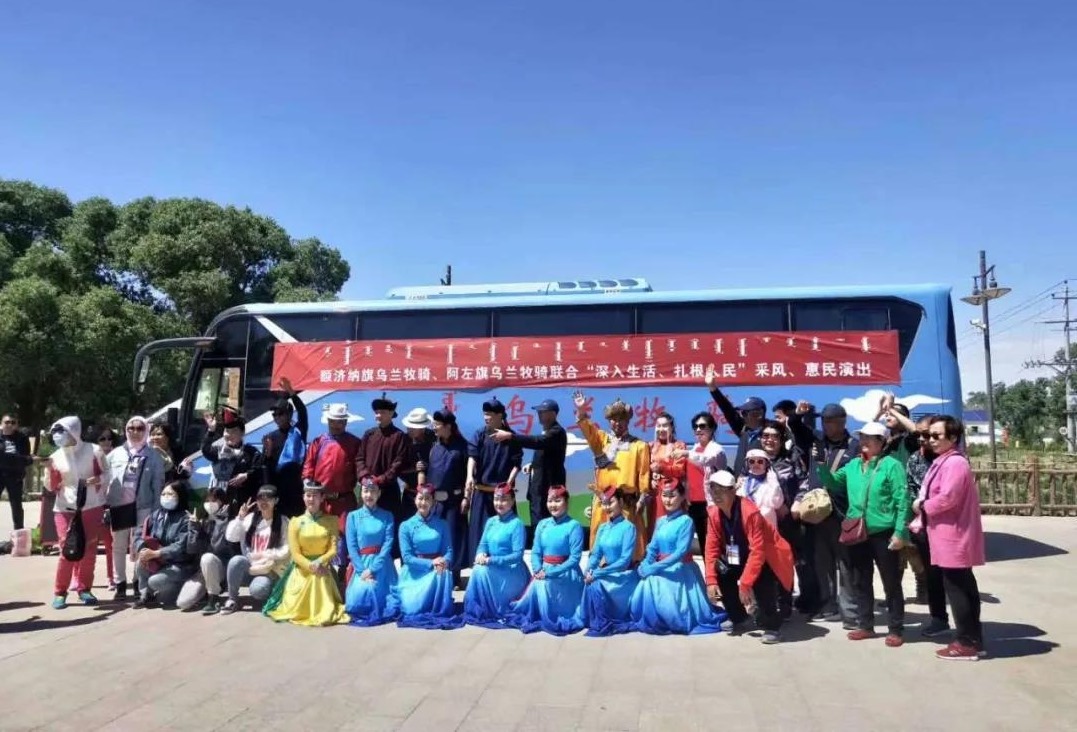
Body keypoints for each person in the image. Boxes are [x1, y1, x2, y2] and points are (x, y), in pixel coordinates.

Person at [817, 422, 910, 646]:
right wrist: (821, 466)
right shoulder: (853, 465)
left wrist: (900, 532)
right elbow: (833, 483)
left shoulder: (892, 466)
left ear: (882, 442)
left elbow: (902, 500)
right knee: (860, 581)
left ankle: (895, 629)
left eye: (870, 437)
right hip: (857, 532)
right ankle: (866, 625)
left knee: (891, 583)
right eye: (862, 437)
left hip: (884, 533)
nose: (864, 441)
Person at [913, 416, 986, 661]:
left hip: (953, 535)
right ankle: (973, 639)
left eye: (936, 435)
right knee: (962, 587)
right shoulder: (944, 460)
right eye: (928, 435)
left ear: (953, 437)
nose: (930, 440)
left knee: (958, 590)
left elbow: (948, 498)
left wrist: (922, 506)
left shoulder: (954, 463)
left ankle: (966, 642)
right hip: (947, 534)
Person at [705, 470, 794, 644]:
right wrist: (711, 580)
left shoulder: (750, 512)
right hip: (736, 554)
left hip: (766, 556)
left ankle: (772, 626)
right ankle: (738, 617)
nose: (716, 495)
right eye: (713, 490)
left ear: (733, 491)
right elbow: (711, 547)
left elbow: (758, 551)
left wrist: (745, 584)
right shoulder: (714, 513)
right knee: (720, 571)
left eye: (721, 490)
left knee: (762, 581)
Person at [629, 479, 725, 635]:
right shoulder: (660, 521)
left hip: (681, 570)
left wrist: (653, 568)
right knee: (645, 584)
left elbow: (680, 553)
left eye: (672, 496)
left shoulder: (686, 521)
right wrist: (645, 563)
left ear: (682, 497)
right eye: (664, 495)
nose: (667, 500)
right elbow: (653, 547)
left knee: (654, 584)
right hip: (661, 566)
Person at [800, 403, 860, 626]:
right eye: (823, 420)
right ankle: (828, 606)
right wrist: (801, 414)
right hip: (818, 514)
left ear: (842, 421)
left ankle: (850, 613)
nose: (826, 425)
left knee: (846, 564)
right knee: (822, 564)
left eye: (830, 421)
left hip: (842, 513)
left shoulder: (854, 446)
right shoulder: (817, 441)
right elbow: (796, 427)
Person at [573, 390, 649, 561]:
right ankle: (599, 569)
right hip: (603, 503)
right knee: (600, 543)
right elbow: (587, 429)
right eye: (614, 419)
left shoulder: (639, 446)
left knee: (627, 545)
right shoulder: (601, 440)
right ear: (609, 421)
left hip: (626, 503)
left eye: (622, 419)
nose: (618, 423)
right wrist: (581, 409)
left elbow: (644, 475)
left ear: (628, 421)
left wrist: (642, 499)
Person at [264, 480, 349, 626]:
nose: (311, 499)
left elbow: (333, 550)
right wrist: (311, 566)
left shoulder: (331, 521)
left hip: (323, 566)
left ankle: (322, 611)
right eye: (308, 495)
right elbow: (295, 553)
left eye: (315, 495)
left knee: (319, 578)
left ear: (322, 498)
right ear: (303, 497)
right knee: (314, 578)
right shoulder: (295, 522)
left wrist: (319, 562)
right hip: (301, 569)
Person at [46, 416, 110, 609]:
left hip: (92, 506)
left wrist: (98, 480)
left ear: (73, 431)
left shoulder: (94, 451)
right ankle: (60, 592)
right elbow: (50, 487)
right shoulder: (55, 456)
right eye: (55, 432)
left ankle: (84, 589)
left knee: (89, 550)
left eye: (61, 432)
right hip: (65, 508)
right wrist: (50, 471)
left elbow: (108, 473)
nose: (57, 436)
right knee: (67, 551)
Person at [507, 485, 585, 635]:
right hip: (543, 570)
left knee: (543, 584)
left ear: (567, 502)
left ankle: (553, 615)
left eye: (557, 501)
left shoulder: (574, 526)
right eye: (550, 501)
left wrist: (550, 573)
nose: (553, 505)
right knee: (538, 585)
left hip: (566, 574)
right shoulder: (542, 524)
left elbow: (575, 559)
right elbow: (536, 551)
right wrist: (537, 569)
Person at [490, 399, 567, 547]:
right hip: (538, 489)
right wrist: (533, 465)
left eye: (543, 412)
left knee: (546, 526)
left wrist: (510, 436)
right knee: (537, 524)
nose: (539, 414)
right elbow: (547, 454)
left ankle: (549, 554)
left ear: (553, 414)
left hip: (548, 490)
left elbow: (538, 442)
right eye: (539, 412)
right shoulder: (547, 432)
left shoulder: (556, 432)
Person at [106, 416, 166, 601]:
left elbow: (158, 485)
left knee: (140, 545)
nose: (135, 432)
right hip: (120, 505)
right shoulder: (115, 454)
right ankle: (120, 583)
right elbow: (104, 478)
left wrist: (157, 510)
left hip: (144, 506)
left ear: (146, 430)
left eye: (140, 428)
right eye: (130, 428)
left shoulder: (153, 456)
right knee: (118, 545)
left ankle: (139, 581)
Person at [389, 483, 463, 629]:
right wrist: (431, 563)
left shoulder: (442, 524)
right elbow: (407, 557)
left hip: (437, 570)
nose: (423, 502)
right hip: (414, 573)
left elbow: (448, 551)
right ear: (415, 500)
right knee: (411, 608)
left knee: (443, 574)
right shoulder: (405, 526)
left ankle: (438, 605)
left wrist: (444, 562)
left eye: (427, 499)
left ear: (433, 502)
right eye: (420, 498)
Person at [302, 402, 362, 578]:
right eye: (333, 421)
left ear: (346, 422)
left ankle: (342, 573)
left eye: (340, 421)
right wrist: (308, 485)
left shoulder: (354, 443)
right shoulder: (319, 442)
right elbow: (308, 466)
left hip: (344, 500)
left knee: (344, 535)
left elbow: (360, 469)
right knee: (319, 533)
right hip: (320, 500)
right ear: (328, 421)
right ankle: (317, 571)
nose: (337, 425)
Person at [464, 398, 523, 567]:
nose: (486, 418)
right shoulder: (479, 434)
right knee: (479, 535)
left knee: (505, 535)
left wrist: (509, 483)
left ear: (500, 415)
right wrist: (469, 476)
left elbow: (516, 464)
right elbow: (472, 457)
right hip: (482, 494)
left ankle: (505, 567)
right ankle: (479, 568)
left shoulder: (510, 436)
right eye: (485, 414)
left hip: (503, 495)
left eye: (489, 414)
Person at [463, 483, 530, 629]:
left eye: (504, 499)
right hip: (493, 567)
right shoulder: (491, 521)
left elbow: (517, 556)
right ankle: (481, 608)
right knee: (478, 569)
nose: (499, 503)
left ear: (512, 501)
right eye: (496, 499)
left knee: (481, 571)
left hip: (511, 571)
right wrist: (480, 554)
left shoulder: (517, 524)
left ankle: (493, 608)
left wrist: (490, 560)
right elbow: (483, 544)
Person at [906, 416, 949, 635]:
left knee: (954, 577)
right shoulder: (914, 459)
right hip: (923, 525)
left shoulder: (948, 460)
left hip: (947, 526)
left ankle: (969, 629)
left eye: (928, 434)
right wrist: (918, 508)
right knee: (931, 575)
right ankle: (938, 618)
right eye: (920, 435)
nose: (923, 439)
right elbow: (911, 488)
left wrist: (926, 505)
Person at [580, 488, 639, 637]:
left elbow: (624, 561)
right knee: (590, 582)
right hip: (607, 572)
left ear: (620, 502)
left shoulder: (629, 528)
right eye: (604, 503)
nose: (607, 507)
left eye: (610, 502)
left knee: (596, 584)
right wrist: (588, 570)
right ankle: (593, 619)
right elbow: (596, 555)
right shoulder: (603, 528)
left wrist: (598, 573)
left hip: (623, 576)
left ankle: (606, 619)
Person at [224, 485, 290, 613]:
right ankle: (232, 599)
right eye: (260, 498)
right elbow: (231, 537)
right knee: (236, 561)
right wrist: (240, 518)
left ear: (276, 500)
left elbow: (287, 548)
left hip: (268, 569)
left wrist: (266, 554)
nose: (264, 502)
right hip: (250, 567)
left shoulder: (283, 521)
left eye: (268, 498)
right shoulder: (250, 519)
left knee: (258, 590)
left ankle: (273, 591)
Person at [133, 480, 196, 609]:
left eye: (171, 494)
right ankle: (146, 595)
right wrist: (142, 549)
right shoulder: (156, 515)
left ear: (180, 496)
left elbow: (180, 546)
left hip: (179, 564)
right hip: (159, 561)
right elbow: (139, 534)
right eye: (163, 494)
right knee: (141, 561)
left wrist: (157, 553)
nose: (166, 497)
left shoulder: (185, 518)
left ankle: (180, 588)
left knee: (155, 581)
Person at [356, 394, 409, 543]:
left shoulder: (399, 436)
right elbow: (359, 458)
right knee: (364, 527)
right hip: (367, 489)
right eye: (377, 412)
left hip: (388, 491)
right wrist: (365, 476)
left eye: (383, 412)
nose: (378, 415)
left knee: (388, 530)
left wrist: (380, 480)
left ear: (391, 414)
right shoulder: (369, 434)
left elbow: (398, 463)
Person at [344, 480, 398, 626]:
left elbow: (388, 543)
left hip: (382, 564)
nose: (369, 495)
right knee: (357, 601)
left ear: (379, 494)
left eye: (373, 491)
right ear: (360, 493)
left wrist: (373, 569)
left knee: (390, 602)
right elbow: (352, 546)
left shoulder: (387, 516)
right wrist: (362, 571)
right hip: (361, 565)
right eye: (366, 491)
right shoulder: (352, 516)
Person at [177, 486, 239, 614]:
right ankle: (205, 590)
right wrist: (194, 527)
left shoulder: (230, 521)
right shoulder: (204, 521)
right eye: (207, 501)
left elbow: (218, 546)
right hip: (203, 571)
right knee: (183, 603)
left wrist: (220, 520)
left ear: (223, 502)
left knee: (208, 558)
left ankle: (213, 597)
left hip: (222, 568)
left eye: (214, 500)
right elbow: (192, 549)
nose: (210, 504)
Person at [426, 409, 469, 588]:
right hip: (436, 503)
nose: (434, 427)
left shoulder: (463, 447)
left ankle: (455, 575)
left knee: (453, 538)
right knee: (436, 537)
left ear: (448, 426)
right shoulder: (434, 446)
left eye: (437, 424)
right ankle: (437, 573)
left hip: (454, 502)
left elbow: (470, 474)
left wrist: (466, 497)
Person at [201, 407, 263, 516]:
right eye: (227, 431)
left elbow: (259, 469)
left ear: (242, 433)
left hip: (243, 502)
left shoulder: (250, 452)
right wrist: (211, 430)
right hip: (221, 502)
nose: (229, 435)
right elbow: (205, 450)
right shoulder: (218, 451)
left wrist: (246, 475)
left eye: (234, 431)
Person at [260, 378, 308, 518]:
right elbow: (266, 467)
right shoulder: (270, 437)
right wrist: (268, 454)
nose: (277, 417)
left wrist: (291, 392)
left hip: (296, 488)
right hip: (278, 490)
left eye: (280, 413)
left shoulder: (298, 431)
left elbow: (302, 412)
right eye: (274, 415)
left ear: (289, 414)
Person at [705, 367, 767, 474]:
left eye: (745, 413)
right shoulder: (743, 430)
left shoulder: (771, 434)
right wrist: (712, 387)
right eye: (742, 413)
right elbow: (727, 409)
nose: (742, 416)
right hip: (741, 482)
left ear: (758, 414)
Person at [681, 411, 727, 552]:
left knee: (714, 545)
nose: (698, 430)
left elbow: (706, 459)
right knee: (703, 542)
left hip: (711, 503)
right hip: (693, 504)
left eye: (702, 426)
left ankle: (718, 567)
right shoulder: (694, 448)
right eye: (695, 427)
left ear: (712, 428)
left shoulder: (716, 450)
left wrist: (686, 453)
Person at [644, 413, 687, 544]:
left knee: (671, 528)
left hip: (672, 492)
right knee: (654, 525)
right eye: (658, 426)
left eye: (665, 426)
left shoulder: (678, 446)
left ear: (671, 428)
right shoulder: (650, 446)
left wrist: (662, 468)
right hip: (655, 494)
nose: (661, 429)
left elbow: (680, 470)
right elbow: (643, 470)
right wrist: (649, 480)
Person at [400, 407, 436, 525]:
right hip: (410, 493)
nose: (409, 430)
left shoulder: (434, 439)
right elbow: (398, 467)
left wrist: (428, 466)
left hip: (431, 494)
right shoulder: (404, 441)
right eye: (408, 427)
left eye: (412, 427)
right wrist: (413, 469)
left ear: (422, 428)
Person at [0, 413, 33, 531]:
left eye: (13, 422)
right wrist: (15, 459)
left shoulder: (22, 438)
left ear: (17, 425)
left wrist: (9, 459)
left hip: (15, 475)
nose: (10, 425)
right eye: (7, 422)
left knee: (16, 506)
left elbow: (27, 459)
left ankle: (19, 533)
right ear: (1, 424)